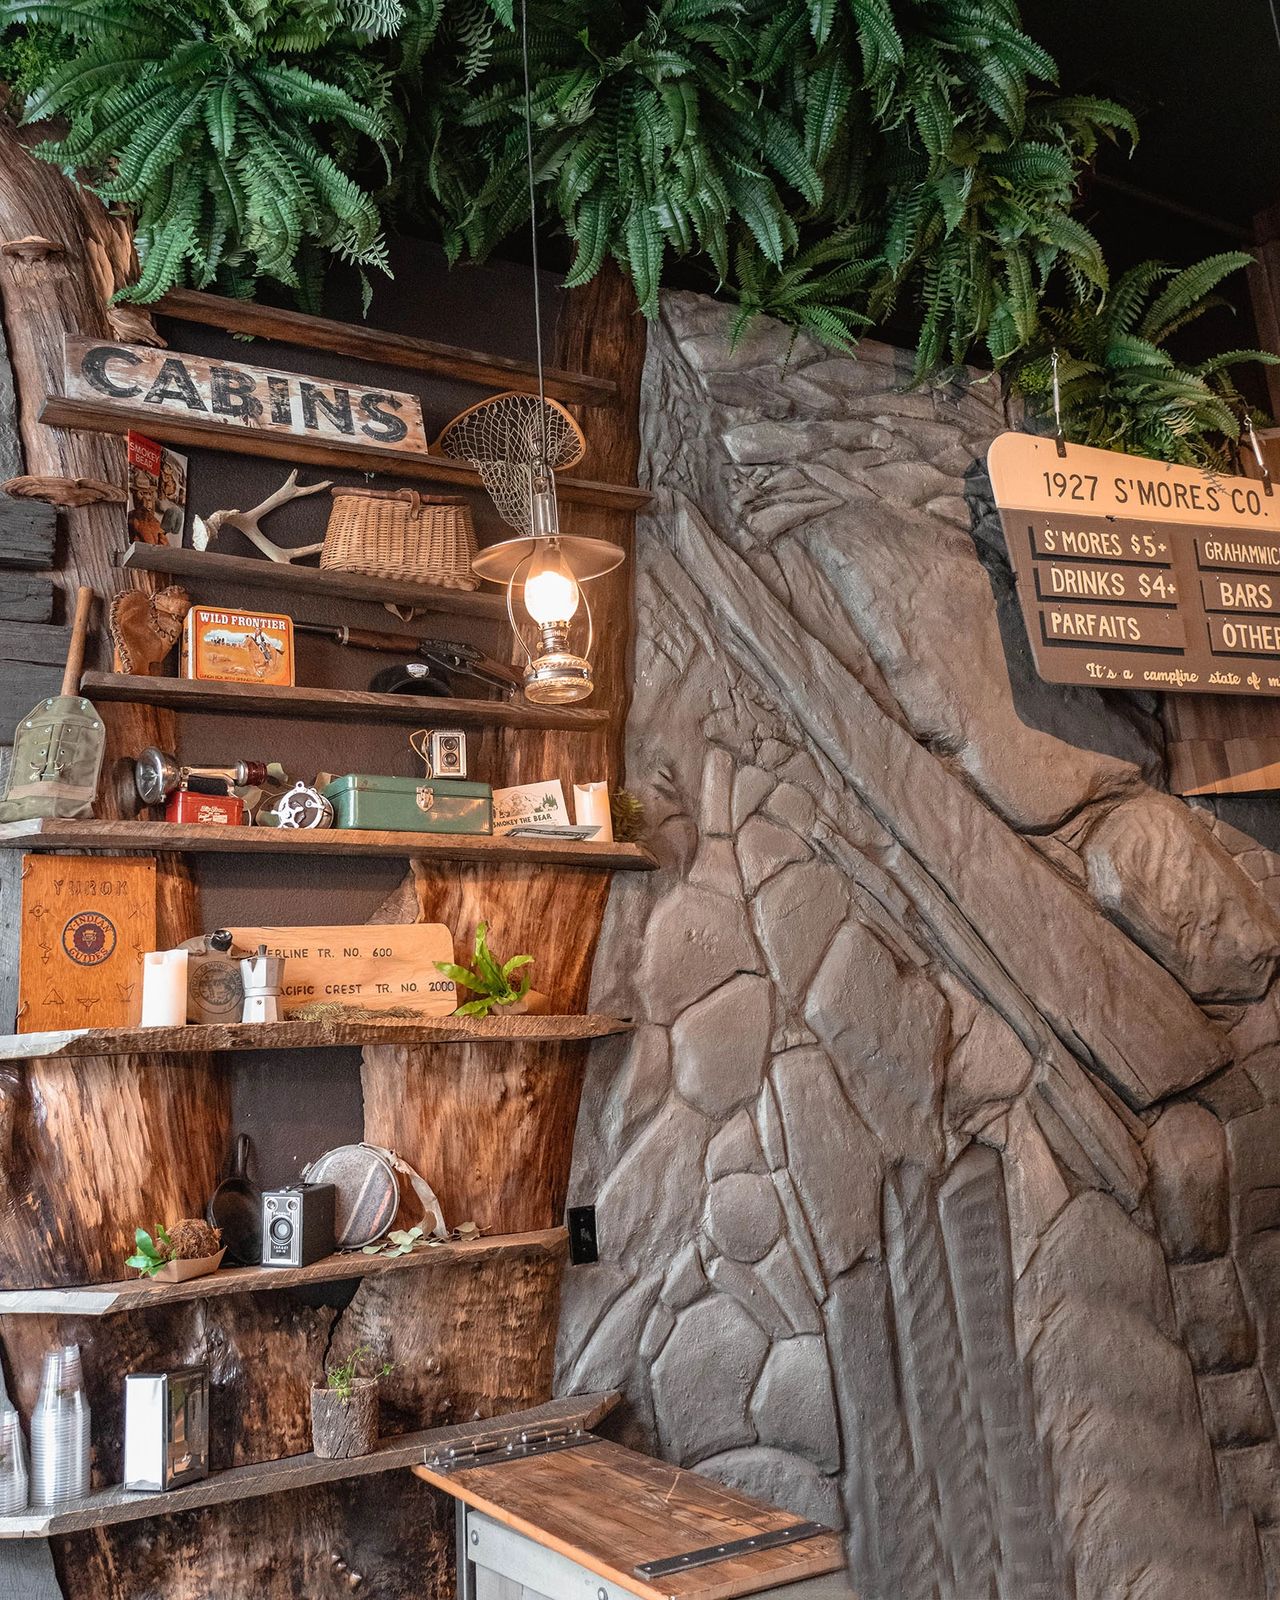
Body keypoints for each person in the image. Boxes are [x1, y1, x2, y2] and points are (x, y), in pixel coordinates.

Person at [127, 469, 165, 545]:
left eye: (149, 495)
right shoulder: (133, 517)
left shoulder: (154, 521)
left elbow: (163, 542)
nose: (148, 502)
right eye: (143, 493)